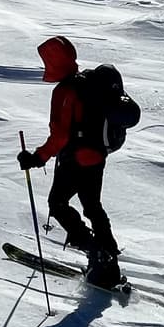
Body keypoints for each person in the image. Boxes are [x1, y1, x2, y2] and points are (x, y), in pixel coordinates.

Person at [16, 36, 136, 289]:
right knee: (92, 206)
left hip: (74, 159)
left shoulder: (65, 91)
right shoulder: (89, 83)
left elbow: (59, 137)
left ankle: (95, 252)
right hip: (97, 157)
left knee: (57, 204)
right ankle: (109, 261)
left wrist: (37, 158)